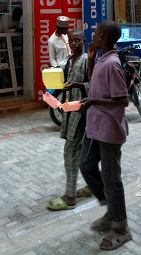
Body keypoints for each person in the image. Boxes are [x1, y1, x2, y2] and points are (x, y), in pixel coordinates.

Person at [79, 21, 132, 251]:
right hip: (94, 126)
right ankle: (110, 210)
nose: (91, 36)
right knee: (86, 165)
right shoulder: (101, 58)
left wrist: (93, 101)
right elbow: (94, 85)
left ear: (102, 36)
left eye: (94, 34)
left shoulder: (112, 64)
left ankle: (121, 227)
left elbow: (122, 100)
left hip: (109, 129)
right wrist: (90, 60)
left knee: (111, 177)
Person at [47, 29, 92, 211]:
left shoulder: (88, 61)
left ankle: (70, 195)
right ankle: (93, 185)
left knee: (70, 153)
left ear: (84, 41)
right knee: (84, 152)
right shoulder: (69, 61)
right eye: (71, 41)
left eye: (77, 41)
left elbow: (94, 86)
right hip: (70, 110)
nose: (73, 44)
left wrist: (78, 85)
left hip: (81, 113)